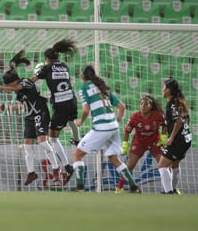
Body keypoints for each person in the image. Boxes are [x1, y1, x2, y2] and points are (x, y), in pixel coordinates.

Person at [73, 65, 141, 193]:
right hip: (113, 127)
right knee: (114, 159)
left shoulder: (84, 88)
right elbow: (121, 107)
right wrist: (116, 122)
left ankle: (80, 187)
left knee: (77, 154)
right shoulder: (103, 88)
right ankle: (133, 187)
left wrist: (81, 121)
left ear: (83, 76)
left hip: (101, 127)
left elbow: (86, 109)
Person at [0, 50, 60, 185]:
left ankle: (56, 168)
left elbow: (16, 88)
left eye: (9, 86)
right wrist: (8, 108)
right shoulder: (19, 92)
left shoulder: (25, 83)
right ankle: (31, 173)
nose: (9, 88)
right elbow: (24, 106)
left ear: (14, 82)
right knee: (27, 146)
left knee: (43, 142)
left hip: (40, 113)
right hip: (30, 116)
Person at [31, 39, 78, 181]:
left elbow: (33, 79)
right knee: (71, 120)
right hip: (72, 100)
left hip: (61, 104)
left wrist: (23, 82)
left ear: (47, 59)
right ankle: (77, 139)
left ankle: (67, 166)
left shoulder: (47, 68)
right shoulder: (64, 66)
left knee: (53, 137)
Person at [115, 95, 167, 193]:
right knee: (129, 166)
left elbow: (165, 125)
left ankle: (170, 188)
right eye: (141, 104)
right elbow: (127, 131)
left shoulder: (157, 115)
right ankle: (119, 188)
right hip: (139, 142)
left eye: (146, 104)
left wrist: (163, 138)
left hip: (155, 142)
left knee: (164, 164)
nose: (143, 106)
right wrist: (125, 145)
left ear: (151, 106)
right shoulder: (134, 117)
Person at [158, 79, 192, 194]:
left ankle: (169, 192)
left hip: (178, 140)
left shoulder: (172, 103)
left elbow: (178, 121)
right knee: (175, 163)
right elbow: (186, 119)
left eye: (164, 88)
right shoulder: (179, 101)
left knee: (162, 165)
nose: (162, 90)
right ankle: (173, 189)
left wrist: (171, 137)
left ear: (168, 90)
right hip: (186, 139)